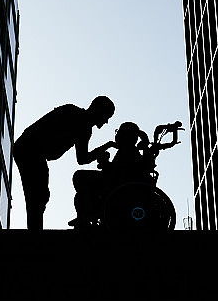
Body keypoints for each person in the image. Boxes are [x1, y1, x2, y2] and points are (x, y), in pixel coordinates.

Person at [13, 96, 116, 230]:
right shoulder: (76, 117)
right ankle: (35, 232)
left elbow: (82, 159)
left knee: (40, 195)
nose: (106, 121)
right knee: (37, 194)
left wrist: (106, 146)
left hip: (33, 151)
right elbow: (82, 158)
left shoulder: (82, 124)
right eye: (106, 116)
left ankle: (35, 229)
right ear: (99, 110)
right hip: (30, 149)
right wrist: (105, 147)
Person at [70, 121, 153, 228]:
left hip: (117, 184)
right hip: (116, 182)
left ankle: (88, 213)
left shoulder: (128, 150)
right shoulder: (128, 150)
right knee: (81, 191)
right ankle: (87, 213)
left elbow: (119, 171)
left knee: (79, 176)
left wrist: (105, 162)